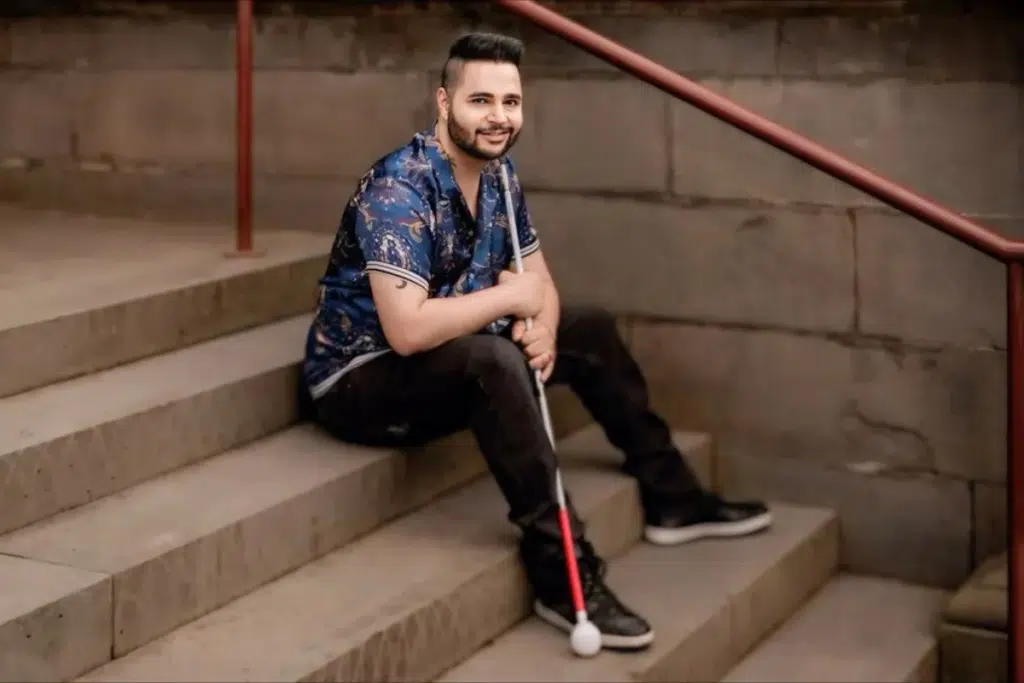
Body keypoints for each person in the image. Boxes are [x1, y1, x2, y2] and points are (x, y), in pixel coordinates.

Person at [300, 31, 772, 650]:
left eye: (511, 102)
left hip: (453, 349)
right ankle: (565, 577)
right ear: (443, 104)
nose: (499, 117)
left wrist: (544, 326)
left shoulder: (498, 174)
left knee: (590, 327)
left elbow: (536, 277)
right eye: (481, 101)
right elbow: (408, 331)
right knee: (494, 362)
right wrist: (509, 305)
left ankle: (672, 498)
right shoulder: (399, 190)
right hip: (362, 380)